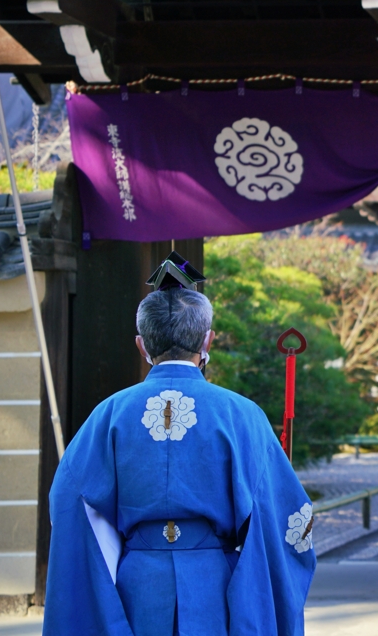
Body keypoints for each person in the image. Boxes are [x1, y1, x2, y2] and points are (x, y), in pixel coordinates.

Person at [43, 253, 315, 636]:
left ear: (142, 345)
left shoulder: (108, 416)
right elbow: (285, 513)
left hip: (136, 588)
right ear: (207, 341)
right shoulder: (241, 414)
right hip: (214, 588)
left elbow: (69, 501)